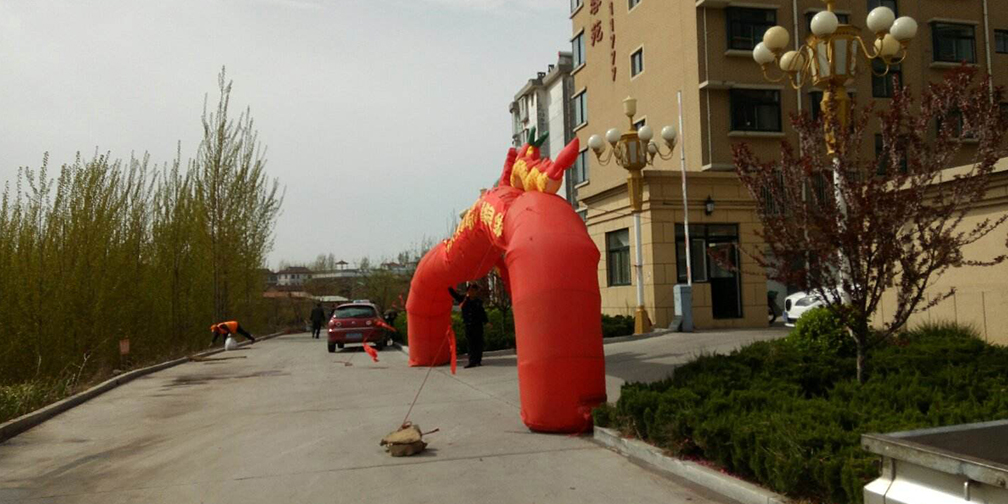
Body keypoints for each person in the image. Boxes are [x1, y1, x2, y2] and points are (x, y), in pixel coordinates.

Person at [448, 283, 488, 368]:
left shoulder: (478, 302)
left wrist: (486, 322)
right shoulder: (464, 299)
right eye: (470, 290)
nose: (471, 292)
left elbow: (482, 313)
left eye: (473, 290)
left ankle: (478, 360)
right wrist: (449, 287)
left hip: (478, 325)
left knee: (479, 343)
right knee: (470, 344)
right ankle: (472, 361)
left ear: (476, 291)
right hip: (468, 325)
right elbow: (455, 295)